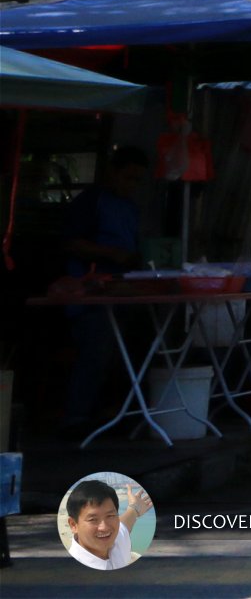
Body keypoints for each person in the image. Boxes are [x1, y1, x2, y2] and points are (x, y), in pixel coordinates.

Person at [61, 145, 150, 433]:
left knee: (128, 352)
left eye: (138, 180)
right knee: (96, 351)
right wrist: (112, 255)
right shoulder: (91, 202)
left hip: (121, 292)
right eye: (128, 178)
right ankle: (77, 419)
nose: (132, 185)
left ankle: (114, 415)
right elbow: (73, 243)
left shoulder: (130, 208)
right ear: (112, 172)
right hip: (88, 295)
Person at [65, 479, 152, 570]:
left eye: (110, 516)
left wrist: (135, 508)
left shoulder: (117, 539)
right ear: (73, 525)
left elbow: (125, 522)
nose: (104, 527)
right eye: (93, 519)